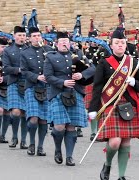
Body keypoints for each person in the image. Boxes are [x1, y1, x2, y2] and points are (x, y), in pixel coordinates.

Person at [88, 29, 139, 180]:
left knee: (126, 141)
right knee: (114, 142)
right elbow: (97, 87)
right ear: (111, 45)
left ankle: (121, 175)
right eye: (117, 43)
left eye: (122, 42)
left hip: (128, 104)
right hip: (110, 103)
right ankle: (107, 164)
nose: (120, 45)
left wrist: (134, 82)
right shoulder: (104, 63)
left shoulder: (133, 62)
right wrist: (93, 108)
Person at [44, 31, 95, 166]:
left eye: (66, 42)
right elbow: (48, 77)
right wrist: (63, 83)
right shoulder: (50, 57)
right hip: (58, 94)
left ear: (70, 43)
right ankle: (57, 149)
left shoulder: (78, 55)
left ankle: (69, 156)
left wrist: (81, 74)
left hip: (75, 93)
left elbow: (93, 69)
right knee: (60, 126)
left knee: (71, 126)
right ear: (57, 44)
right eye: (62, 42)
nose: (64, 44)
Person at [20, 27, 52, 156]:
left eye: (38, 35)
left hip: (46, 87)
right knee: (33, 118)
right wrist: (37, 77)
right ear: (29, 38)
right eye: (34, 36)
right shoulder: (25, 53)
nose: (37, 38)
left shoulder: (49, 51)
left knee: (43, 120)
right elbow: (23, 71)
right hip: (31, 86)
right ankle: (32, 143)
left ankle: (40, 146)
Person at [2, 26, 28, 149]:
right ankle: (14, 136)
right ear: (14, 36)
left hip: (28, 82)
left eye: (23, 35)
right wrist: (18, 70)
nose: (21, 37)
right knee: (16, 112)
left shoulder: (30, 49)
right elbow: (6, 68)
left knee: (24, 113)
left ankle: (23, 140)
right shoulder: (8, 50)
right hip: (14, 81)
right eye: (19, 35)